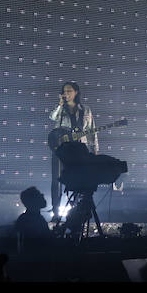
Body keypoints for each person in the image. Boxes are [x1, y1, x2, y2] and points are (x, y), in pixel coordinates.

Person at [48, 81, 98, 222]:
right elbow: (52, 117)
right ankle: (56, 212)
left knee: (79, 180)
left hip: (79, 149)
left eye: (69, 91)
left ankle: (77, 212)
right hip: (61, 149)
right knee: (57, 180)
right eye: (64, 91)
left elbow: (91, 131)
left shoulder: (85, 110)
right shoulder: (61, 109)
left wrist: (94, 150)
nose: (66, 94)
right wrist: (60, 104)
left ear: (76, 92)